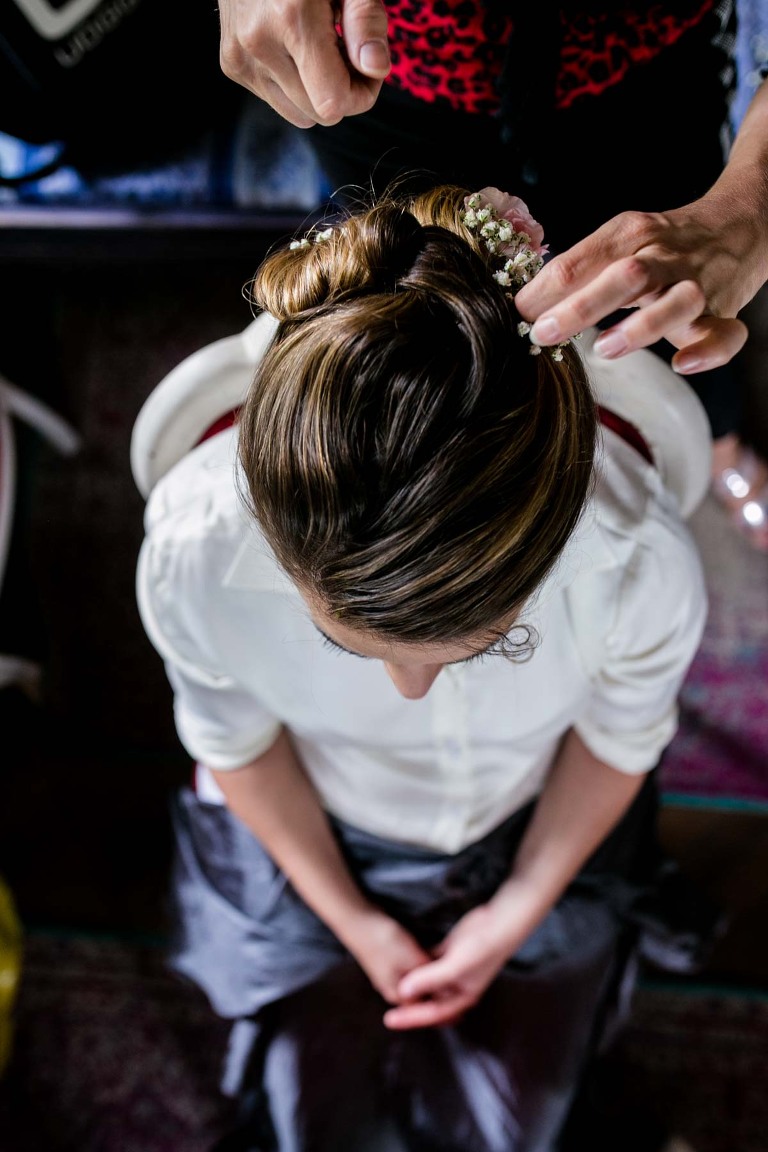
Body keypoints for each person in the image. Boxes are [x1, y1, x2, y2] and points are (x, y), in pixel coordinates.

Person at [136, 183, 709, 1151]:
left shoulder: (639, 566)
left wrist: (513, 912)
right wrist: (356, 923)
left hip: (536, 826)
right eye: (343, 642)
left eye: (484, 645)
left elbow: (618, 739)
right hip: (310, 833)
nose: (407, 690)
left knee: (511, 1130)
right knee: (312, 1123)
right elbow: (235, 744)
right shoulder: (194, 557)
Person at [217, 0, 768, 549]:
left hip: (642, 76)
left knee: (677, 310)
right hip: (382, 74)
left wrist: (752, 203)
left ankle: (718, 443)